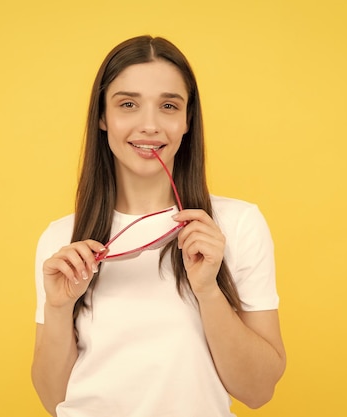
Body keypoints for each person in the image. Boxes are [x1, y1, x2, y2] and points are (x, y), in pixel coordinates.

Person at [31, 35, 286, 417]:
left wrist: (208, 291)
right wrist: (58, 306)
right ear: (102, 117)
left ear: (187, 121)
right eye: (128, 104)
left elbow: (259, 390)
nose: (149, 125)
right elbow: (54, 401)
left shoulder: (237, 225)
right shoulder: (60, 241)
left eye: (168, 105)